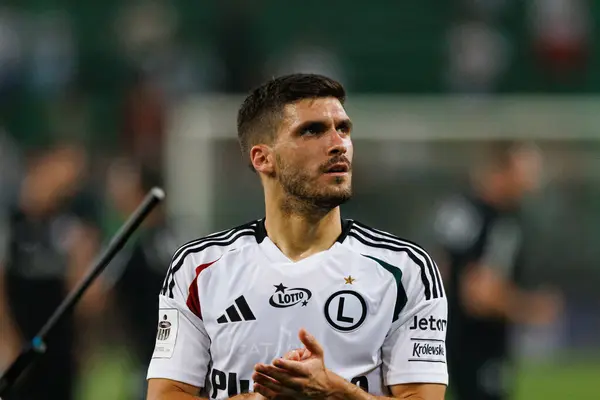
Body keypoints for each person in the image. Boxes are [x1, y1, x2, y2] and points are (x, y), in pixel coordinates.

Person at [146, 74, 448, 400]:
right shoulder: (198, 267)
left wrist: (334, 392)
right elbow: (166, 394)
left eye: (343, 128)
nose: (338, 144)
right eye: (312, 130)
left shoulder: (405, 269)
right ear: (263, 158)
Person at [432, 141, 562, 400]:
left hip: (436, 341)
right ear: (503, 172)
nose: (531, 181)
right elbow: (479, 295)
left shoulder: (459, 210)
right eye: (526, 172)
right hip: (477, 346)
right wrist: (531, 308)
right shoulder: (500, 223)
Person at [0, 144, 101, 400]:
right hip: (19, 345)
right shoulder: (9, 218)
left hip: (59, 352)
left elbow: (88, 302)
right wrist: (6, 337)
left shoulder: (68, 224)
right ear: (42, 165)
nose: (70, 186)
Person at [104, 159, 179, 399]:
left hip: (152, 360)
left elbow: (98, 299)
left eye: (124, 189)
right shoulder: (182, 237)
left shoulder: (134, 245)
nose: (116, 197)